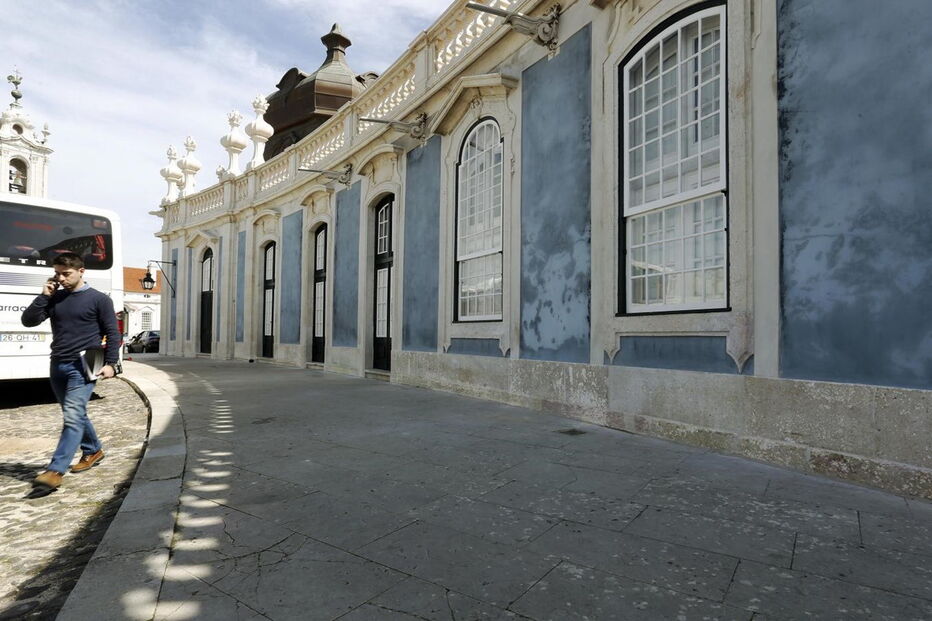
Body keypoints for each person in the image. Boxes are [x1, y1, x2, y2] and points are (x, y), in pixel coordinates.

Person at [21, 252, 121, 492]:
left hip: (90, 360)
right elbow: (29, 321)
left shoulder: (100, 299)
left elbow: (113, 332)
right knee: (73, 412)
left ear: (81, 271)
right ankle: (93, 450)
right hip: (59, 361)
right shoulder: (55, 298)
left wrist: (111, 363)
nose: (61, 278)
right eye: (58, 273)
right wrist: (44, 296)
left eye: (66, 274)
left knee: (73, 415)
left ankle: (55, 470)